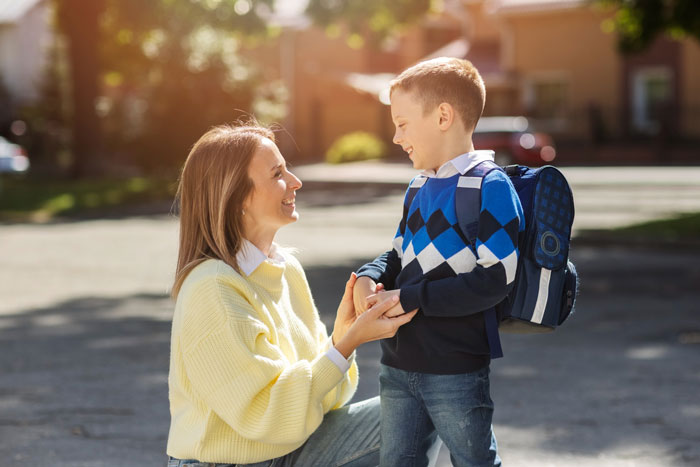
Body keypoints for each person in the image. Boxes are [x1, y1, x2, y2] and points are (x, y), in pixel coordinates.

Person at [166, 123, 417, 467]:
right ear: (238, 197)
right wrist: (344, 347)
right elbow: (265, 416)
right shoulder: (213, 288)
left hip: (286, 449)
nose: (296, 182)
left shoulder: (285, 268)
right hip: (229, 462)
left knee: (420, 408)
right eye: (277, 174)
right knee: (413, 415)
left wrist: (340, 339)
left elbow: (326, 402)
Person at [353, 57, 525, 467]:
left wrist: (409, 297)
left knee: (473, 461)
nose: (396, 137)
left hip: (456, 369)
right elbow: (397, 253)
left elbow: (495, 280)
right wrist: (369, 274)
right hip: (397, 365)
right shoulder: (417, 186)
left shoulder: (490, 186)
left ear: (443, 116)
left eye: (403, 123)